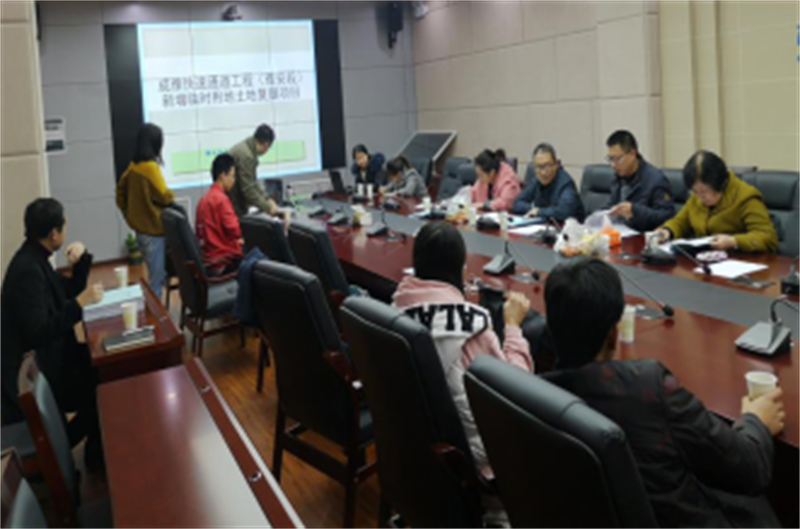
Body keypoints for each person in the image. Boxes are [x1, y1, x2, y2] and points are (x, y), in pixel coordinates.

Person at [542, 257, 784, 529]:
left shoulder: (535, 390)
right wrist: (756, 420)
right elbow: (750, 471)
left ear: (550, 326)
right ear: (613, 333)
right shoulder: (648, 389)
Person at [393, 222, 533, 481]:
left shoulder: (394, 309)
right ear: (462, 270)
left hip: (412, 444)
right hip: (474, 460)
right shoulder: (473, 327)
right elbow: (518, 390)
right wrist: (513, 326)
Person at [0, 199, 106, 468]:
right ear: (54, 234)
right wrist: (79, 304)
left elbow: (65, 292)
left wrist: (81, 261)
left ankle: (91, 452)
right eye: (64, 226)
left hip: (49, 357)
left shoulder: (34, 258)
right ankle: (68, 453)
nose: (66, 231)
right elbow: (39, 331)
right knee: (99, 386)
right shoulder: (28, 271)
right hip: (33, 373)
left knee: (99, 371)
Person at [655, 151, 778, 253]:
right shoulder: (697, 197)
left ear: (721, 184)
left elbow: (767, 238)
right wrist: (667, 231)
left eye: (704, 191)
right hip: (705, 261)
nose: (699, 197)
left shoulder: (746, 197)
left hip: (740, 263)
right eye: (694, 191)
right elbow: (681, 221)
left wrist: (734, 241)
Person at [116, 123, 175, 298]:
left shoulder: (133, 167)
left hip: (141, 232)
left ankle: (154, 312)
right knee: (156, 283)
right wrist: (172, 195)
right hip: (153, 233)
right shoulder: (150, 167)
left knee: (154, 278)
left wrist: (130, 216)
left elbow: (119, 195)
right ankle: (153, 315)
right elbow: (164, 196)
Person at [603, 130, 674, 232]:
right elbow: (611, 205)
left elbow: (667, 216)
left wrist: (635, 211)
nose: (613, 165)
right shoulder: (618, 177)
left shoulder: (656, 179)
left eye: (617, 159)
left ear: (632, 153)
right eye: (610, 159)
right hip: (618, 233)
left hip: (641, 236)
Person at [196, 154, 244, 275]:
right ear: (223, 176)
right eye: (232, 176)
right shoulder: (221, 200)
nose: (233, 181)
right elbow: (236, 231)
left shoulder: (203, 200)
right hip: (224, 261)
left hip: (209, 260)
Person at [512, 143, 586, 222]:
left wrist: (539, 211)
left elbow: (564, 212)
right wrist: (533, 209)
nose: (543, 172)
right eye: (539, 167)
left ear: (556, 164)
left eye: (547, 166)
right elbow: (517, 204)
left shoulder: (566, 184)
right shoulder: (537, 181)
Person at [228, 124, 278, 217]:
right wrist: (268, 207)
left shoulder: (247, 146)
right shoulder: (247, 156)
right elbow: (248, 189)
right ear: (266, 145)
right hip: (231, 206)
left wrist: (267, 198)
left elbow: (252, 182)